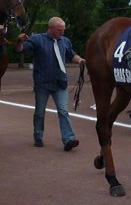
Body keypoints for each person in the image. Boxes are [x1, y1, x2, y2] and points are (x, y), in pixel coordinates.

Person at [14, 17, 85, 150]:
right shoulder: (37, 39)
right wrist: (19, 41)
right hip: (43, 83)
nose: (62, 33)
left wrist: (80, 60)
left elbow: (71, 55)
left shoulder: (65, 41)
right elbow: (20, 50)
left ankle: (69, 139)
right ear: (50, 28)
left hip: (61, 82)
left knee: (63, 111)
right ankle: (38, 136)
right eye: (59, 30)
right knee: (40, 112)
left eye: (63, 30)